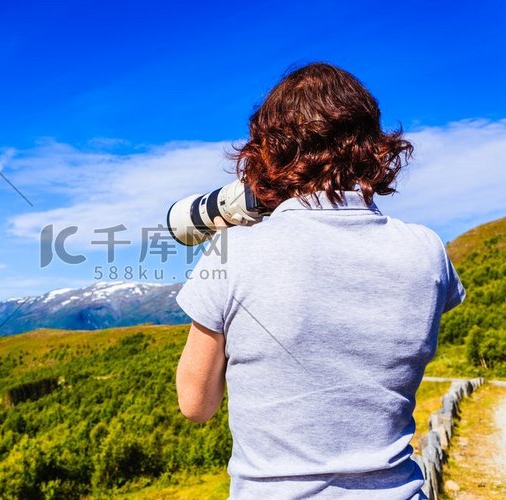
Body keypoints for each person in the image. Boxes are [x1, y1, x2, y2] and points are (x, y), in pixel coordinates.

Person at [174, 62, 466, 499]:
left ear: (268, 151)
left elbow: (196, 405)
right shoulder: (427, 249)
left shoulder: (235, 250)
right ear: (373, 144)